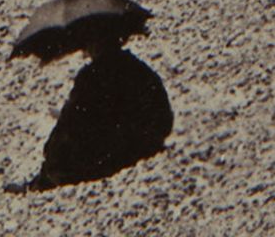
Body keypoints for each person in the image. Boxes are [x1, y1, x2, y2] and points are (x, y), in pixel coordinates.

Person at [9, 23, 173, 191]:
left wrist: (50, 153)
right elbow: (164, 118)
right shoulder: (140, 69)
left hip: (104, 160)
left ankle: (40, 184)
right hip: (141, 150)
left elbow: (70, 125)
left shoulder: (91, 76)